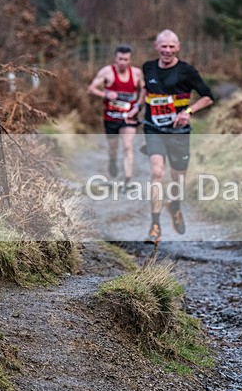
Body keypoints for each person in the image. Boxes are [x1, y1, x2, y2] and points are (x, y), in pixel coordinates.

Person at [140, 29, 215, 244]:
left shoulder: (187, 71)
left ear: (178, 47)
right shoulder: (148, 68)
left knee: (177, 178)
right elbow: (146, 93)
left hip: (179, 132)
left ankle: (175, 206)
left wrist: (188, 112)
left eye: (171, 46)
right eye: (163, 46)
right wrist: (136, 109)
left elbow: (208, 97)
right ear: (156, 47)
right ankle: (155, 226)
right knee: (156, 173)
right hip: (153, 129)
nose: (167, 50)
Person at [87, 44, 144, 187]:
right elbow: (91, 89)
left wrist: (137, 107)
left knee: (128, 145)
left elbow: (144, 90)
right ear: (115, 59)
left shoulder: (136, 73)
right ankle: (112, 161)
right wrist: (105, 93)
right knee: (113, 148)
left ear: (130, 60)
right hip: (111, 117)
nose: (123, 62)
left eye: (126, 59)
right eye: (120, 59)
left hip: (128, 117)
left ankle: (128, 179)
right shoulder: (107, 72)